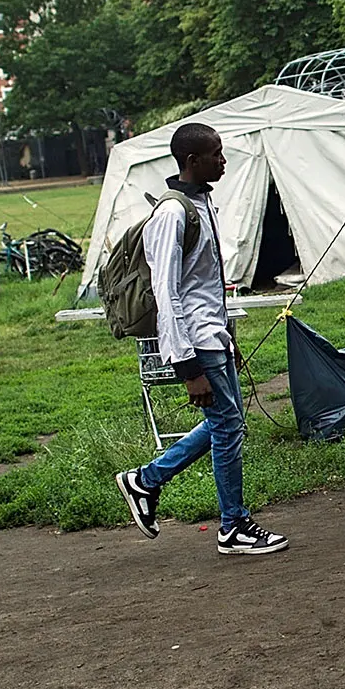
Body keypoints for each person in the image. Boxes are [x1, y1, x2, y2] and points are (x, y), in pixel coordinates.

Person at [115, 122, 288, 555]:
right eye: (216, 154)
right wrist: (187, 366)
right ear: (193, 161)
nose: (223, 161)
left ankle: (145, 480)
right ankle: (233, 526)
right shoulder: (172, 214)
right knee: (228, 427)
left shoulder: (201, 203)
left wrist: (227, 336)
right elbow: (167, 294)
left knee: (226, 424)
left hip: (213, 337)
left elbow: (206, 284)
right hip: (193, 343)